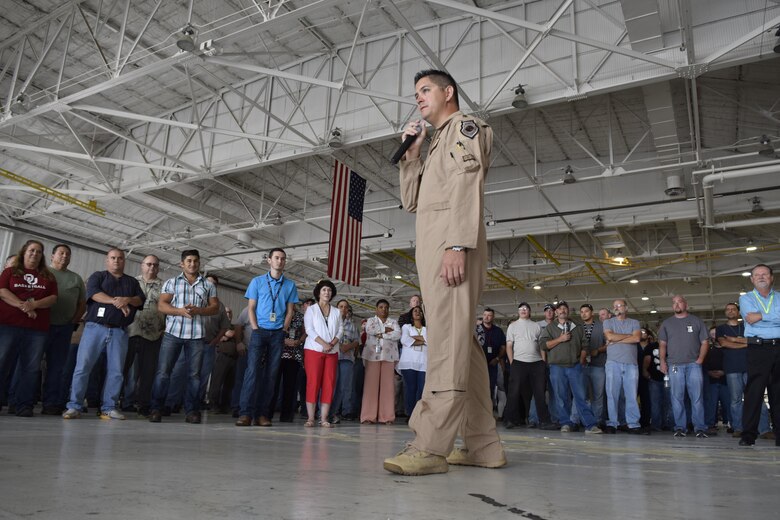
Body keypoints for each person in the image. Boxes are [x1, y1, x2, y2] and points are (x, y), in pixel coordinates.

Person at [386, 69, 504, 476]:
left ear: (448, 92)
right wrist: (413, 154)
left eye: (425, 90)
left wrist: (457, 244)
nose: (418, 98)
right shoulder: (436, 142)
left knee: (447, 346)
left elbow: (467, 185)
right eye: (415, 92)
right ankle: (482, 445)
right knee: (462, 348)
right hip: (436, 248)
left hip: (452, 248)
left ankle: (430, 445)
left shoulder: (464, 128)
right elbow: (412, 201)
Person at [62, 248, 144, 420]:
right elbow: (94, 294)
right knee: (83, 367)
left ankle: (109, 407)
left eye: (120, 258)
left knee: (116, 371)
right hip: (95, 328)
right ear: (107, 260)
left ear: (124, 261)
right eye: (113, 258)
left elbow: (139, 299)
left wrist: (127, 299)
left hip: (119, 332)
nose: (116, 261)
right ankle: (74, 405)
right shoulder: (97, 276)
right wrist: (117, 301)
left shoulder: (131, 282)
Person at [148, 249, 219, 424]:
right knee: (163, 373)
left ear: (199, 263)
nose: (192, 264)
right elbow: (162, 306)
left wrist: (199, 311)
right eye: (189, 261)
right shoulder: (172, 283)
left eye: (195, 261)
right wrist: (179, 311)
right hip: (173, 334)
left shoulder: (208, 286)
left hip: (196, 336)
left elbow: (215, 308)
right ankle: (156, 409)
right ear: (182, 263)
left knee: (194, 375)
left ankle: (192, 411)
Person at [236, 248, 299, 427]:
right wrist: (255, 328)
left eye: (283, 259)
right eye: (277, 258)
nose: (280, 261)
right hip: (259, 332)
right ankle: (245, 413)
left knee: (271, 375)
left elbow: (290, 311)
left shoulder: (290, 285)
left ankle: (262, 414)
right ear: (269, 261)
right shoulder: (257, 282)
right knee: (252, 372)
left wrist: (284, 329)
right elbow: (251, 308)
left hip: (277, 334)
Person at [0, 240, 58, 417]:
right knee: (2, 363)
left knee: (31, 367)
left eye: (39, 251)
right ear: (24, 252)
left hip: (36, 329)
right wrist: (23, 306)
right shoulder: (10, 272)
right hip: (9, 326)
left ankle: (23, 405)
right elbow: (2, 291)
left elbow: (53, 298)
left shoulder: (48, 276)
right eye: (32, 250)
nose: (35, 254)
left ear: (42, 256)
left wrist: (35, 305)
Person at [539, 301, 602, 434]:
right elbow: (543, 345)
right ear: (556, 312)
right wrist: (559, 339)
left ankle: (590, 425)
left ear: (568, 311)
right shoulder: (550, 328)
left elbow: (585, 345)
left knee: (581, 396)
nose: (562, 310)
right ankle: (565, 423)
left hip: (575, 366)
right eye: (560, 309)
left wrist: (581, 359)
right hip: (557, 367)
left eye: (565, 308)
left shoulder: (577, 327)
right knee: (561, 397)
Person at [737, 264, 780, 447]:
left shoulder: (779, 297)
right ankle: (748, 435)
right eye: (757, 275)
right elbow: (750, 318)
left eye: (765, 274)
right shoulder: (746, 298)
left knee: (778, 393)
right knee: (754, 392)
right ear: (752, 279)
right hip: (758, 348)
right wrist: (774, 316)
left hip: (779, 347)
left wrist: (761, 316)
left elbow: (757, 317)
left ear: (771, 278)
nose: (761, 277)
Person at [716, 302, 772, 439]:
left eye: (733, 309)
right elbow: (724, 343)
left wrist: (735, 340)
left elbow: (755, 341)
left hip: (750, 366)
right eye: (728, 309)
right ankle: (739, 428)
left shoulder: (747, 326)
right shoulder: (721, 328)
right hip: (732, 368)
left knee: (757, 397)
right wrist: (744, 342)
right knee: (735, 400)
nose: (730, 311)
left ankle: (764, 430)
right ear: (725, 313)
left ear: (738, 312)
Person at [41, 244, 85, 415]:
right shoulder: (43, 273)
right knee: (30, 365)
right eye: (61, 253)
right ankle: (22, 401)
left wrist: (73, 320)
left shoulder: (76, 279)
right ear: (52, 256)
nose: (64, 256)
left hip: (64, 328)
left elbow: (82, 303)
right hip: (40, 327)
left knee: (57, 367)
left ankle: (51, 403)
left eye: (68, 254)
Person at [658, 295, 710, 438]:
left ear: (685, 304)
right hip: (674, 365)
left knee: (697, 397)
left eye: (679, 302)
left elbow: (705, 342)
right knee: (676, 397)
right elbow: (662, 344)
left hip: (694, 365)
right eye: (674, 303)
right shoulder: (667, 323)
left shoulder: (696, 321)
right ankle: (680, 427)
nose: (676, 305)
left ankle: (699, 427)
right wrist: (662, 361)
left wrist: (700, 359)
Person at [123, 255, 166, 417]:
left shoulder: (164, 286)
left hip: (154, 334)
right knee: (129, 371)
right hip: (130, 331)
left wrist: (164, 329)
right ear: (142, 265)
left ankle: (144, 404)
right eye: (149, 264)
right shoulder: (131, 283)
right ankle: (126, 402)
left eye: (155, 265)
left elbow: (168, 309)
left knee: (148, 372)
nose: (152, 267)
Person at [503, 303, 553, 429]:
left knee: (539, 393)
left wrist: (543, 361)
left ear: (529, 312)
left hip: (536, 363)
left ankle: (544, 421)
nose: (523, 310)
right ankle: (509, 419)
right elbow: (509, 346)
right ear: (518, 312)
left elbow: (541, 345)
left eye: (525, 309)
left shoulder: (536, 326)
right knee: (513, 392)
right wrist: (512, 362)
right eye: (521, 309)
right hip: (518, 362)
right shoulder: (513, 326)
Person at [302, 280, 342, 428]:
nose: (327, 292)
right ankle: (311, 418)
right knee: (313, 382)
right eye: (324, 290)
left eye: (329, 290)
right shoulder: (311, 310)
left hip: (332, 351)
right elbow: (309, 330)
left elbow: (341, 330)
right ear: (319, 292)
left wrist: (332, 342)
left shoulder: (337, 311)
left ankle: (324, 418)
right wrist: (324, 344)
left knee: (329, 383)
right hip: (314, 350)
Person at [602, 299, 643, 434]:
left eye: (619, 306)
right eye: (614, 306)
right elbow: (609, 336)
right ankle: (613, 423)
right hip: (613, 362)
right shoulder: (608, 322)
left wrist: (616, 338)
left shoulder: (634, 322)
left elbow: (636, 339)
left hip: (631, 363)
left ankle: (633, 423)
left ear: (626, 308)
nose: (617, 308)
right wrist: (628, 336)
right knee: (612, 394)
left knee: (631, 395)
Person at [362, 299, 401, 424]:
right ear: (376, 309)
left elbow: (397, 334)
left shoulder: (393, 322)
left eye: (386, 307)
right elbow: (370, 330)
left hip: (389, 357)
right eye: (381, 307)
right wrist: (386, 331)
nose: (383, 309)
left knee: (388, 387)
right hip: (372, 356)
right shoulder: (370, 321)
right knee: (370, 387)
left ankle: (387, 417)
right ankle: (368, 416)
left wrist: (381, 334)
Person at [331, 300, 359, 422]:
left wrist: (349, 346)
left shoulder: (352, 325)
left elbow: (357, 341)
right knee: (333, 385)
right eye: (341, 306)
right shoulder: (332, 322)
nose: (343, 309)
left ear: (348, 310)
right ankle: (332, 411)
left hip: (347, 358)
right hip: (333, 356)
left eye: (345, 307)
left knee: (346, 386)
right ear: (336, 308)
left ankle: (346, 411)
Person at [398, 306, 428, 418]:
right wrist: (423, 340)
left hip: (424, 363)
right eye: (415, 311)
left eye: (420, 311)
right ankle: (410, 415)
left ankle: (419, 415)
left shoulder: (427, 328)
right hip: (408, 363)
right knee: (410, 389)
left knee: (421, 389)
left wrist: (414, 339)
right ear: (411, 315)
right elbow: (404, 340)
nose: (418, 312)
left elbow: (430, 340)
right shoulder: (406, 327)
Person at [580, 303, 606, 427]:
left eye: (586, 311)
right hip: (581, 366)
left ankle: (597, 421)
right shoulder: (577, 328)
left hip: (598, 365)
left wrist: (598, 350)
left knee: (598, 396)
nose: (584, 313)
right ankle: (577, 420)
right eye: (582, 312)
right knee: (580, 395)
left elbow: (610, 344)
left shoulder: (602, 326)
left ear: (592, 313)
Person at [475, 308, 506, 411]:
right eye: (485, 315)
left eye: (489, 315)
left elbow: (503, 347)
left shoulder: (498, 331)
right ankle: (478, 412)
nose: (486, 317)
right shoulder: (476, 330)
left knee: (491, 388)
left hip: (493, 363)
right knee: (478, 388)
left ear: (493, 317)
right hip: (479, 364)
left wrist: (497, 358)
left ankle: (488, 412)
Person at [703, 326, 729, 434]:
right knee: (711, 403)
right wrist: (709, 372)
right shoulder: (706, 349)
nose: (714, 336)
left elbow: (732, 362)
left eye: (716, 333)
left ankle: (732, 424)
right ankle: (710, 424)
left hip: (726, 379)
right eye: (712, 334)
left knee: (729, 403)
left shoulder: (727, 348)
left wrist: (724, 372)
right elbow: (702, 363)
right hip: (711, 380)